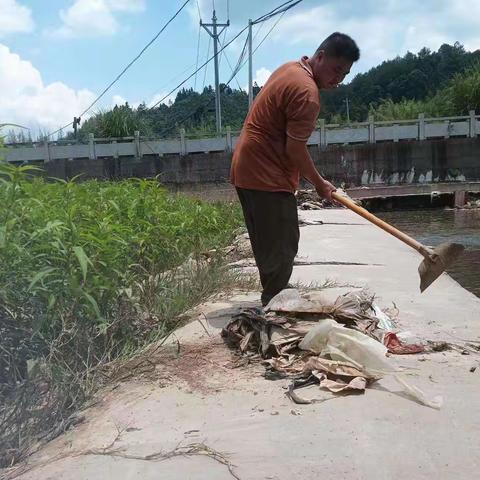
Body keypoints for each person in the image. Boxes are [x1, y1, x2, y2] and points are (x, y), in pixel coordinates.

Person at [230, 32, 360, 307]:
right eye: (336, 70)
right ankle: (275, 305)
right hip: (265, 174)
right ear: (321, 56)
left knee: (269, 239)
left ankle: (274, 296)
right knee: (282, 241)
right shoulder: (307, 93)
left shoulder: (291, 68)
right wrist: (320, 184)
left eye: (345, 74)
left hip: (247, 168)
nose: (338, 79)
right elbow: (295, 149)